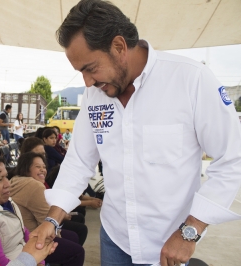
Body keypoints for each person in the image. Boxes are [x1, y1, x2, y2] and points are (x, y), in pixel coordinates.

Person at [31, 1, 241, 266]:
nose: (87, 82)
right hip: (115, 237)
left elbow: (231, 160)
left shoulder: (191, 80)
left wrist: (191, 231)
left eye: (90, 68)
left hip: (170, 243)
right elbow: (79, 161)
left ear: (119, 47)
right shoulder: (95, 95)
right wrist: (53, 219)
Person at [0, 154, 60, 266]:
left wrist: (39, 259)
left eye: (6, 176)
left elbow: (23, 231)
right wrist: (34, 260)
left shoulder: (3, 200)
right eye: (0, 179)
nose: (7, 184)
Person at [10, 152, 85, 265]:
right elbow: (48, 221)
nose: (43, 170)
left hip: (23, 234)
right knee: (78, 251)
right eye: (38, 167)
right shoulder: (33, 185)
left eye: (44, 167)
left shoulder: (16, 180)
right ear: (26, 168)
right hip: (33, 237)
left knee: (73, 235)